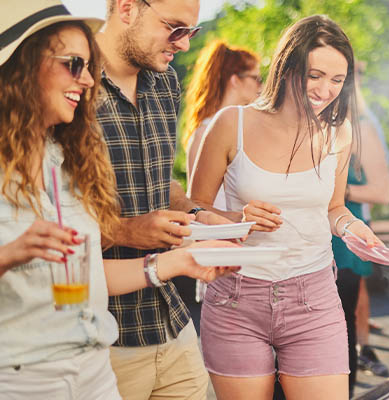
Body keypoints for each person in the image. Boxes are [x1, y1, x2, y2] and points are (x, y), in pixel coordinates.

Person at [0, 3, 237, 398]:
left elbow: (92, 262)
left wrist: (190, 240)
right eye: (74, 64)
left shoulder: (64, 158)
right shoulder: (53, 138)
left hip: (110, 356)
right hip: (45, 369)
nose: (88, 80)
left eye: (189, 33)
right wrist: (13, 253)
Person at [189, 15, 383, 400]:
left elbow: (334, 208)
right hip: (236, 296)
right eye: (315, 75)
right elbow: (194, 209)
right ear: (288, 65)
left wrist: (349, 227)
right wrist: (237, 220)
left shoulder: (338, 133)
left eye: (337, 80)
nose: (326, 90)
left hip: (313, 296)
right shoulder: (232, 123)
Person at [96, 1, 236, 399]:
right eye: (175, 28)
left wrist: (198, 214)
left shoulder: (166, 83)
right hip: (104, 339)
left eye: (190, 32)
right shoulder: (72, 87)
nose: (185, 45)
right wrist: (125, 231)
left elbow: (161, 180)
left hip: (172, 325)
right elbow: (48, 218)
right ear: (126, 9)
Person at [180, 39, 262, 327]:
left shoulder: (235, 128)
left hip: (241, 247)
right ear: (234, 80)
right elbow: (196, 203)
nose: (261, 87)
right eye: (256, 78)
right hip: (226, 252)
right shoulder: (208, 132)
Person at [331, 61, 389, 392]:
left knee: (342, 334)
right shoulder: (298, 124)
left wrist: (338, 191)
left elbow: (383, 191)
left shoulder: (361, 126)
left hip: (343, 246)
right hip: (302, 246)